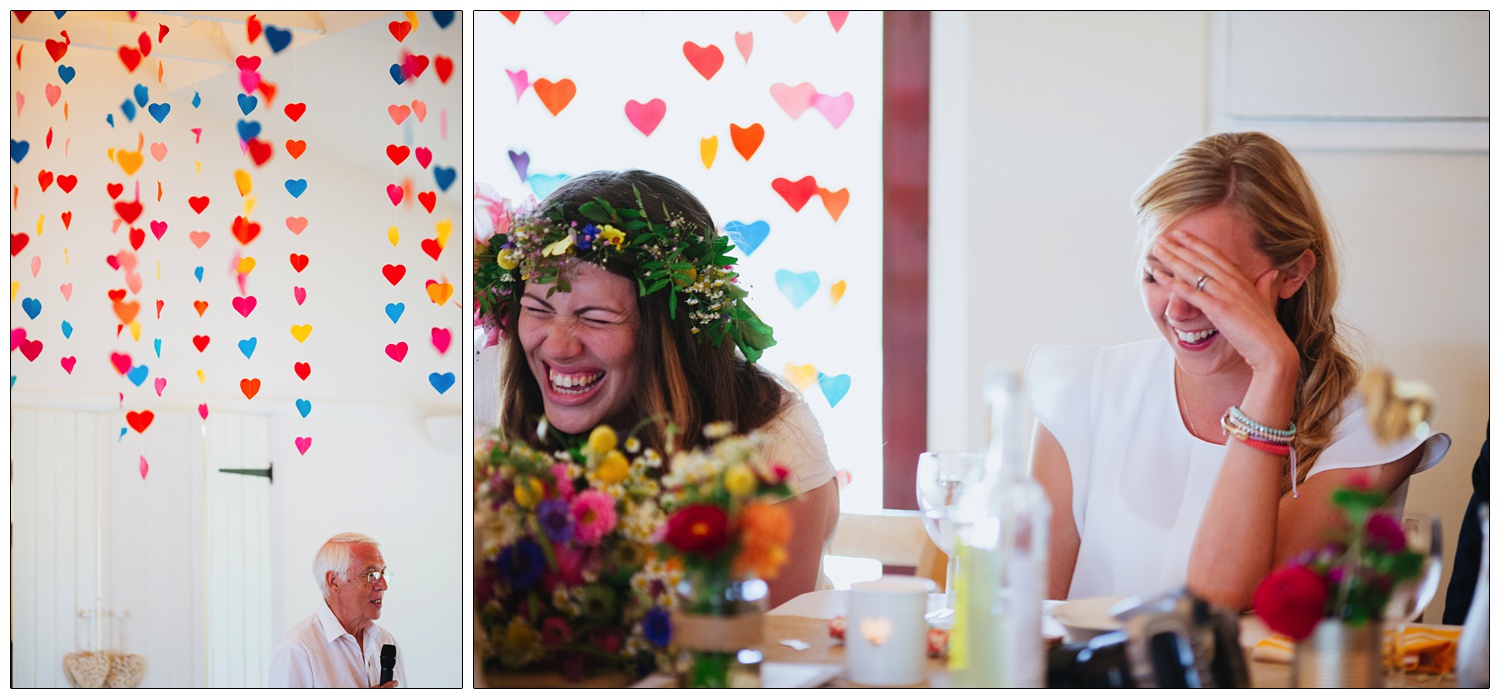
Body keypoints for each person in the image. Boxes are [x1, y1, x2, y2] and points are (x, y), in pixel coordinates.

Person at [1028, 132, 1450, 610]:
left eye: (1210, 281)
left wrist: (1274, 369)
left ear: (1292, 274)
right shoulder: (1083, 392)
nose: (1179, 309)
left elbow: (1224, 602)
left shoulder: (1371, 429)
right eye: (1156, 275)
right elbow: (1024, 619)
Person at [476, 170, 840, 609]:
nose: (556, 345)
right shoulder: (491, 399)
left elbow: (769, 650)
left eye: (596, 317)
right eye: (536, 308)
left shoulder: (774, 439)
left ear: (670, 333)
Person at [269, 533, 405, 688]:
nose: (383, 585)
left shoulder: (386, 641)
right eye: (370, 575)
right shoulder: (297, 650)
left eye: (383, 574)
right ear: (334, 582)